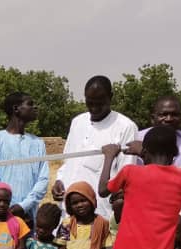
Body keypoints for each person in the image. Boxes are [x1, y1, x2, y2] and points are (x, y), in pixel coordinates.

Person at [52, 76, 138, 220]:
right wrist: (59, 180)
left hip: (100, 214)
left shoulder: (125, 127)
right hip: (68, 212)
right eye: (90, 103)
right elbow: (68, 162)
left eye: (99, 103)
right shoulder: (77, 122)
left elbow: (125, 176)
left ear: (110, 97)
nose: (94, 108)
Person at [0, 92, 49, 220]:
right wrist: (9, 205)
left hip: (28, 215)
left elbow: (43, 179)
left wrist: (24, 206)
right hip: (0, 214)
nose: (35, 107)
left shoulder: (38, 143)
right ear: (16, 109)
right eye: (30, 104)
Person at [131, 94, 181, 177]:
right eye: (163, 115)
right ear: (152, 118)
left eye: (174, 115)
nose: (169, 119)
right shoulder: (137, 138)